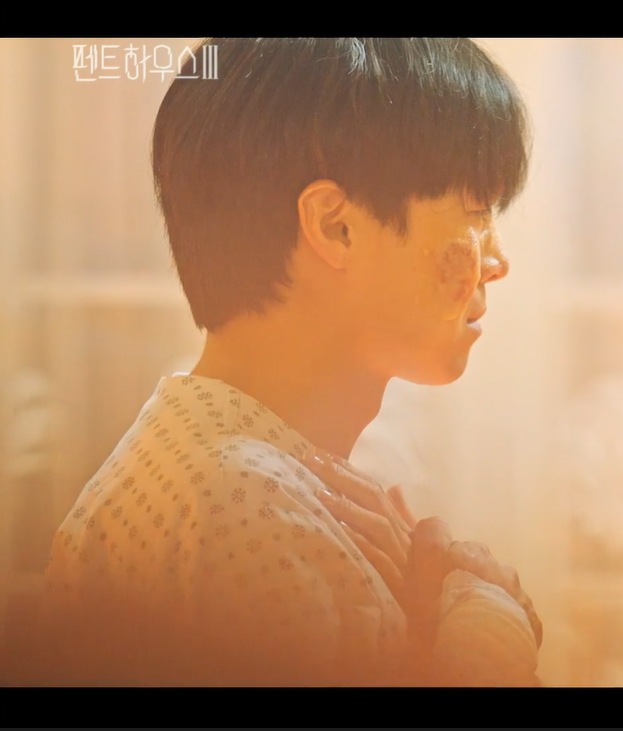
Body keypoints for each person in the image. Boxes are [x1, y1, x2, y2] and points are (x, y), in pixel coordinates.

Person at [38, 37, 541, 687]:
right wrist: (491, 623)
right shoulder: (243, 507)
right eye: (475, 212)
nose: (498, 262)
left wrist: (427, 627)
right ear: (336, 227)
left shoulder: (227, 468)